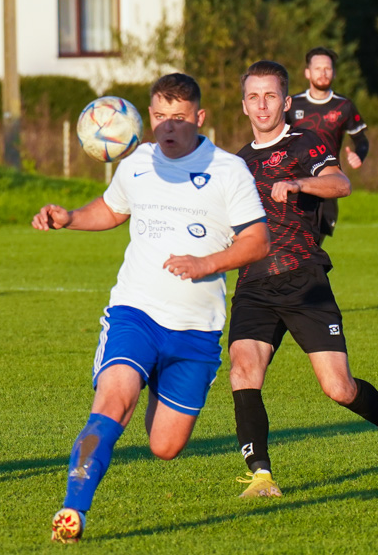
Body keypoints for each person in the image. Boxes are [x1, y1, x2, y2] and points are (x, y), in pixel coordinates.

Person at [33, 73, 269, 543]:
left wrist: (207, 263)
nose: (168, 127)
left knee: (164, 446)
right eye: (160, 116)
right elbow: (112, 209)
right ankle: (72, 511)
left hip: (195, 331)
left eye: (179, 118)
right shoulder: (136, 162)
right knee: (113, 401)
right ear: (149, 117)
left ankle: (157, 379)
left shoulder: (227, 170)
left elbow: (258, 240)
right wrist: (71, 218)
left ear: (199, 118)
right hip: (135, 312)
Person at [230, 60, 378, 498]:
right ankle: (261, 476)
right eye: (253, 97)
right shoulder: (235, 164)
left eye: (270, 96)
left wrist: (299, 183)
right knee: (243, 370)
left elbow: (340, 184)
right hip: (254, 284)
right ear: (243, 105)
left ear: (286, 100)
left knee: (338, 388)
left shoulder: (308, 143)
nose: (262, 105)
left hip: (305, 281)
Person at [286, 46, 369, 244]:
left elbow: (361, 140)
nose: (323, 73)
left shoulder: (344, 106)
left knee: (314, 246)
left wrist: (359, 155)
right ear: (307, 72)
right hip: (294, 183)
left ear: (334, 72)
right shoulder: (291, 105)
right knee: (293, 246)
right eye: (318, 68)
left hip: (328, 184)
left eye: (327, 69)